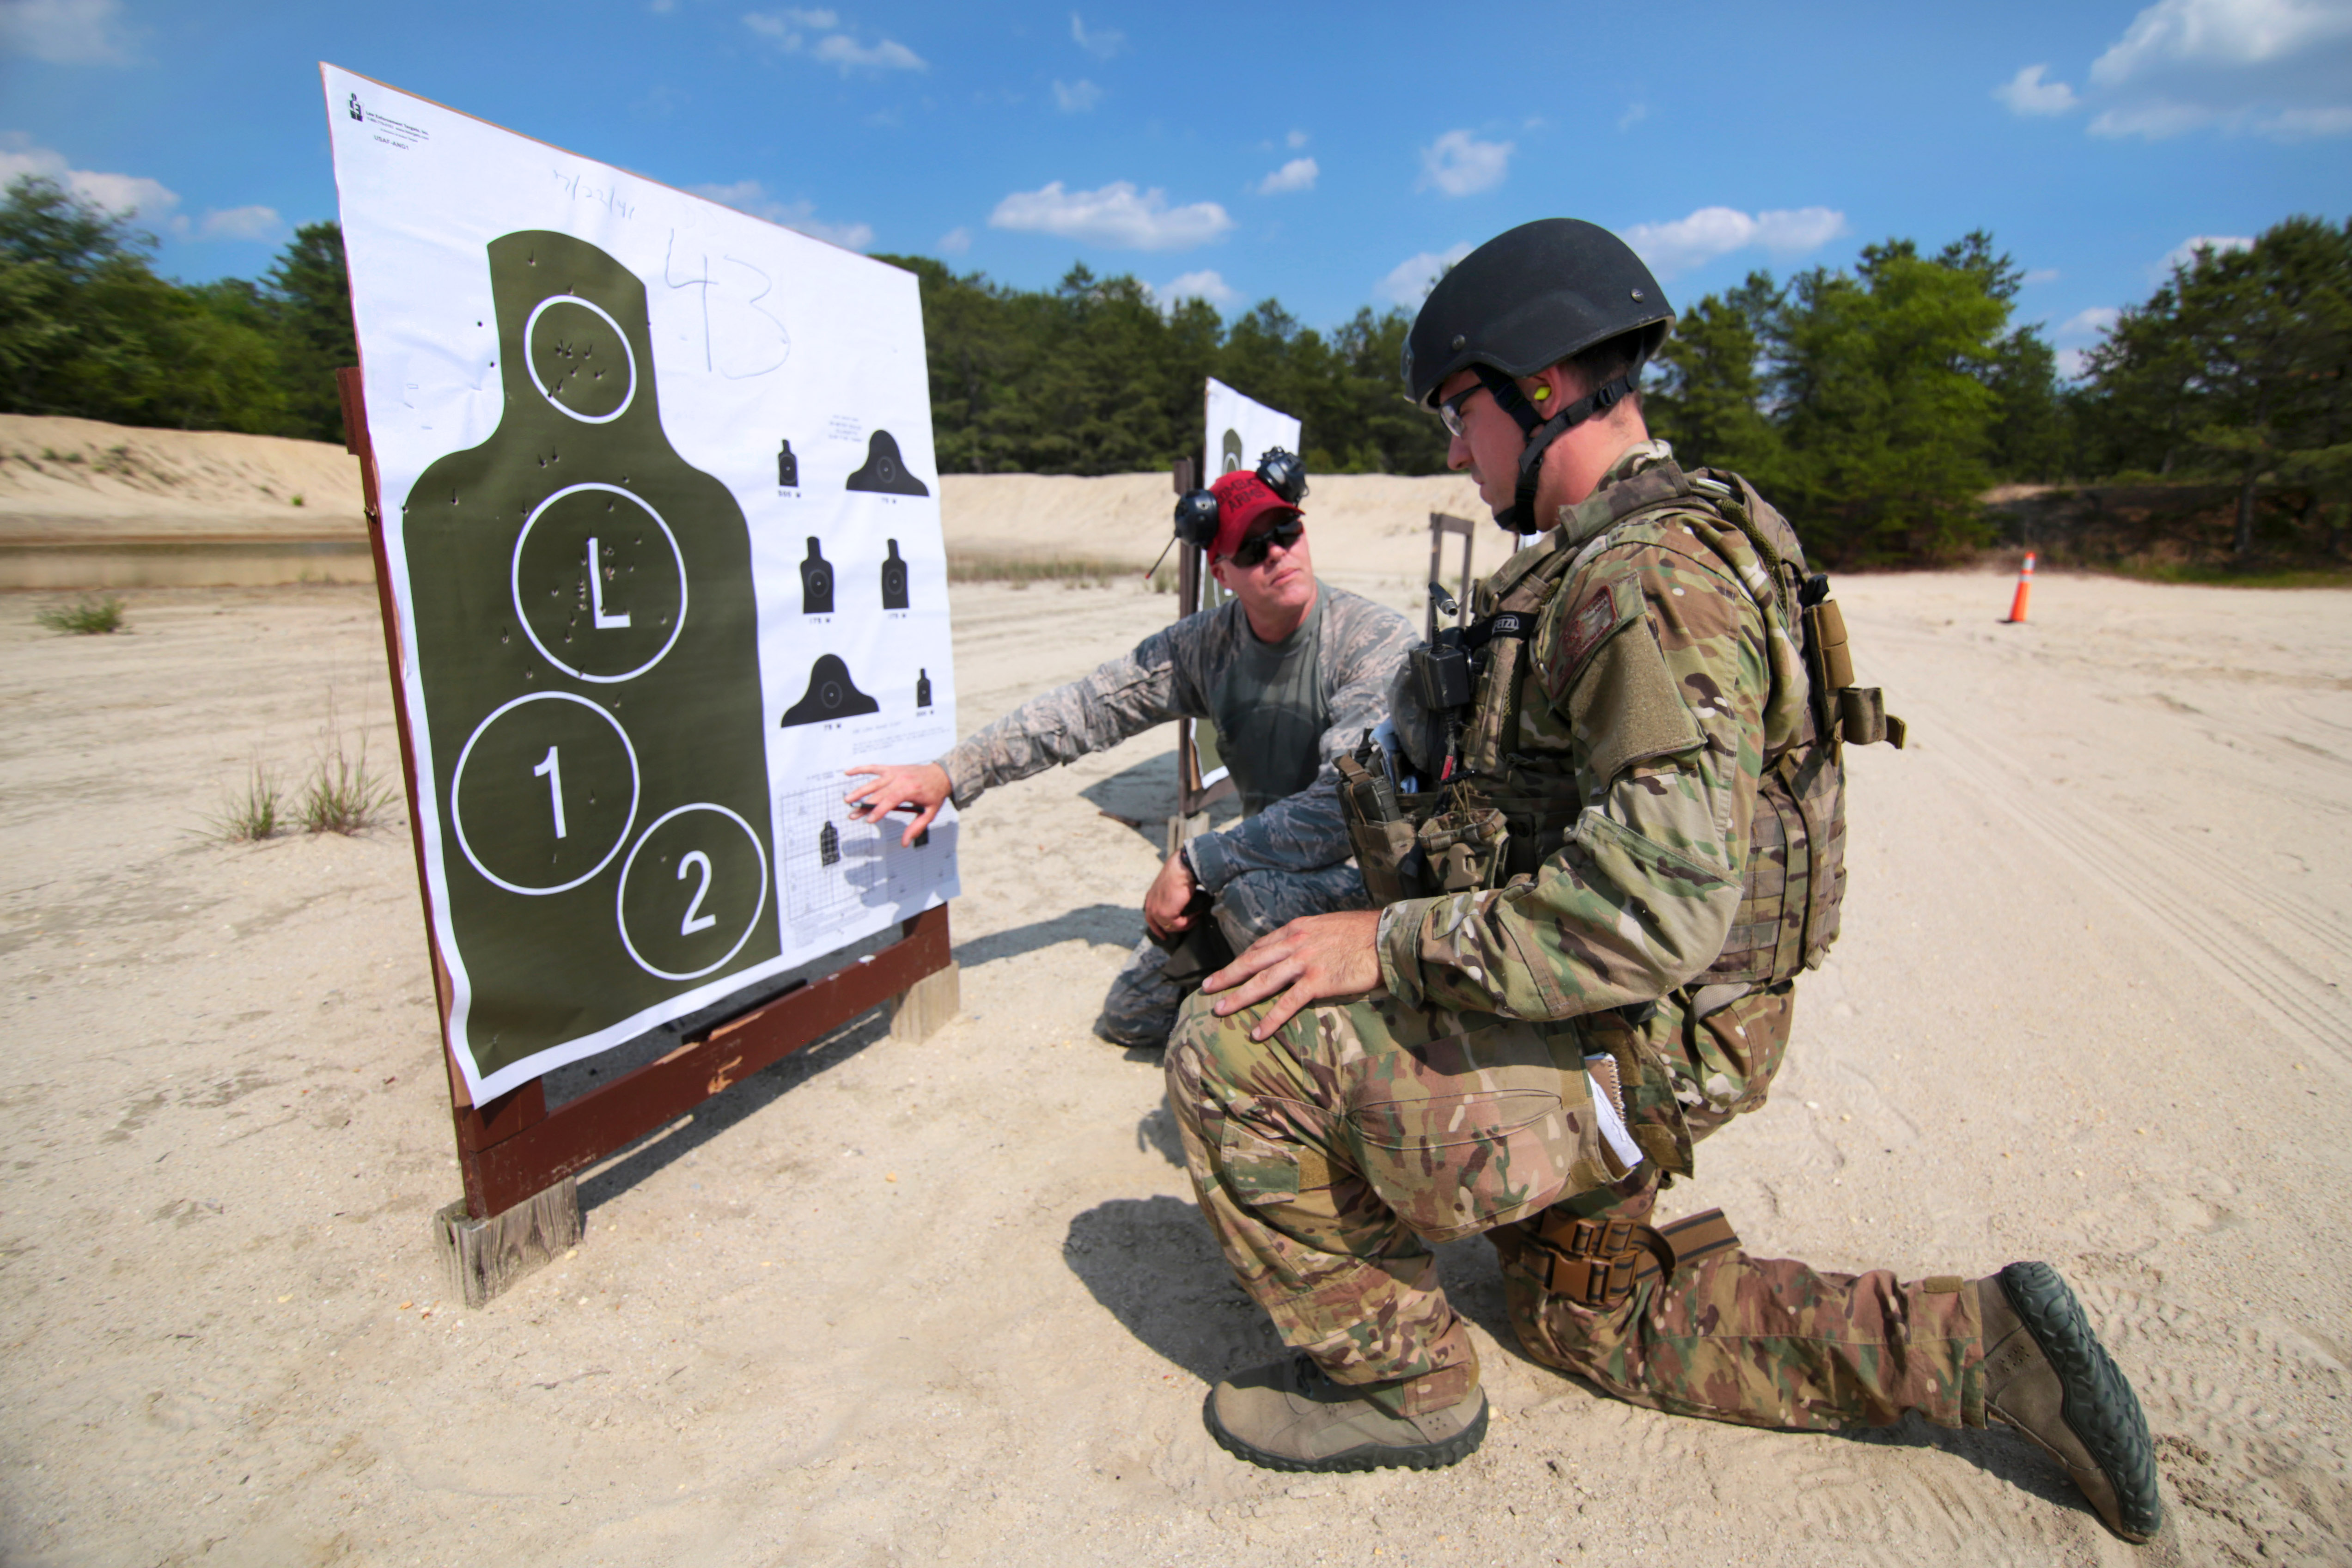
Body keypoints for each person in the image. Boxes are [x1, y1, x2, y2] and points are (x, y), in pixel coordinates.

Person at [1161, 219, 2163, 1544]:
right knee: (1590, 1318)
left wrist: (1384, 950)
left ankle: (1404, 1386)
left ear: (1536, 388)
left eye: (1457, 413)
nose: (1453, 452)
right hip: (1654, 1017)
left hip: (1642, 1031)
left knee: (1231, 1050)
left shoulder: (1644, 581)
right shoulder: (1654, 545)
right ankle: (1984, 1349)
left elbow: (1649, 906)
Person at [843, 464, 1417, 1049]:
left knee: (1252, 906)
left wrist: (1196, 863)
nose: (1275, 553)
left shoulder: (1371, 642)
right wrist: (950, 772)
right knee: (1133, 1016)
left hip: (1371, 882)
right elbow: (1085, 709)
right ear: (1221, 572)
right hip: (1259, 864)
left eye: (1286, 532)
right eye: (1250, 547)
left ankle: (1346, 1045)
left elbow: (1343, 810)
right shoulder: (1206, 646)